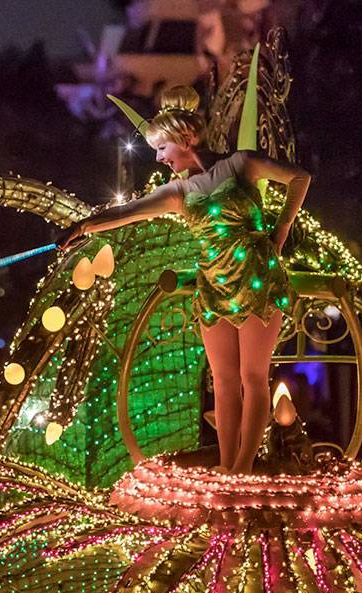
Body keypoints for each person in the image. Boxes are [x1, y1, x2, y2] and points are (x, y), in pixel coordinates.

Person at [56, 85, 310, 474]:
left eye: (162, 149)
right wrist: (86, 226)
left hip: (256, 278)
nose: (159, 159)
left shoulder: (241, 165)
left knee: (253, 376)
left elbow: (299, 178)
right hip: (215, 286)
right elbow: (129, 212)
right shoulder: (178, 191)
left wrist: (281, 229)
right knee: (224, 383)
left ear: (184, 138)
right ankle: (228, 467)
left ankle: (243, 467)